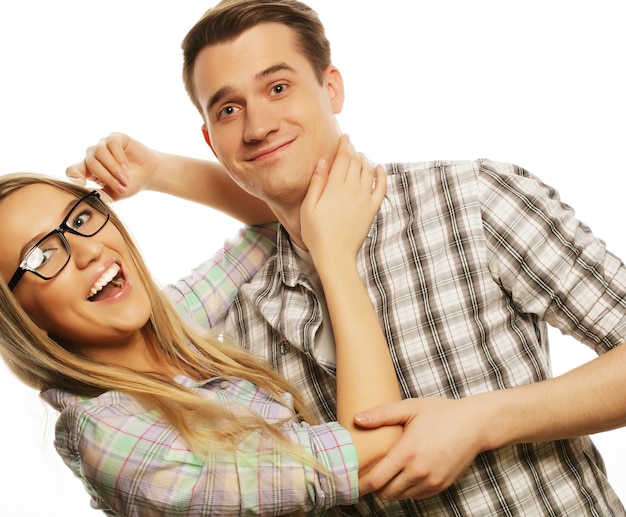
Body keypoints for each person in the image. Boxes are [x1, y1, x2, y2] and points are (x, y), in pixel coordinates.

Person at [67, 0, 626, 515]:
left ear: (331, 88)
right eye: (230, 109)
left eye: (279, 88)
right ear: (211, 140)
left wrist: (484, 421)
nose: (258, 126)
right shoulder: (235, 327)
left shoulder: (472, 200)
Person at [0, 137, 405, 516]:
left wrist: (156, 170)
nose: (88, 250)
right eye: (41, 256)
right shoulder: (110, 435)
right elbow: (373, 449)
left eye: (81, 217)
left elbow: (273, 221)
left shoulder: (170, 323)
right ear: (24, 320)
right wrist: (334, 259)